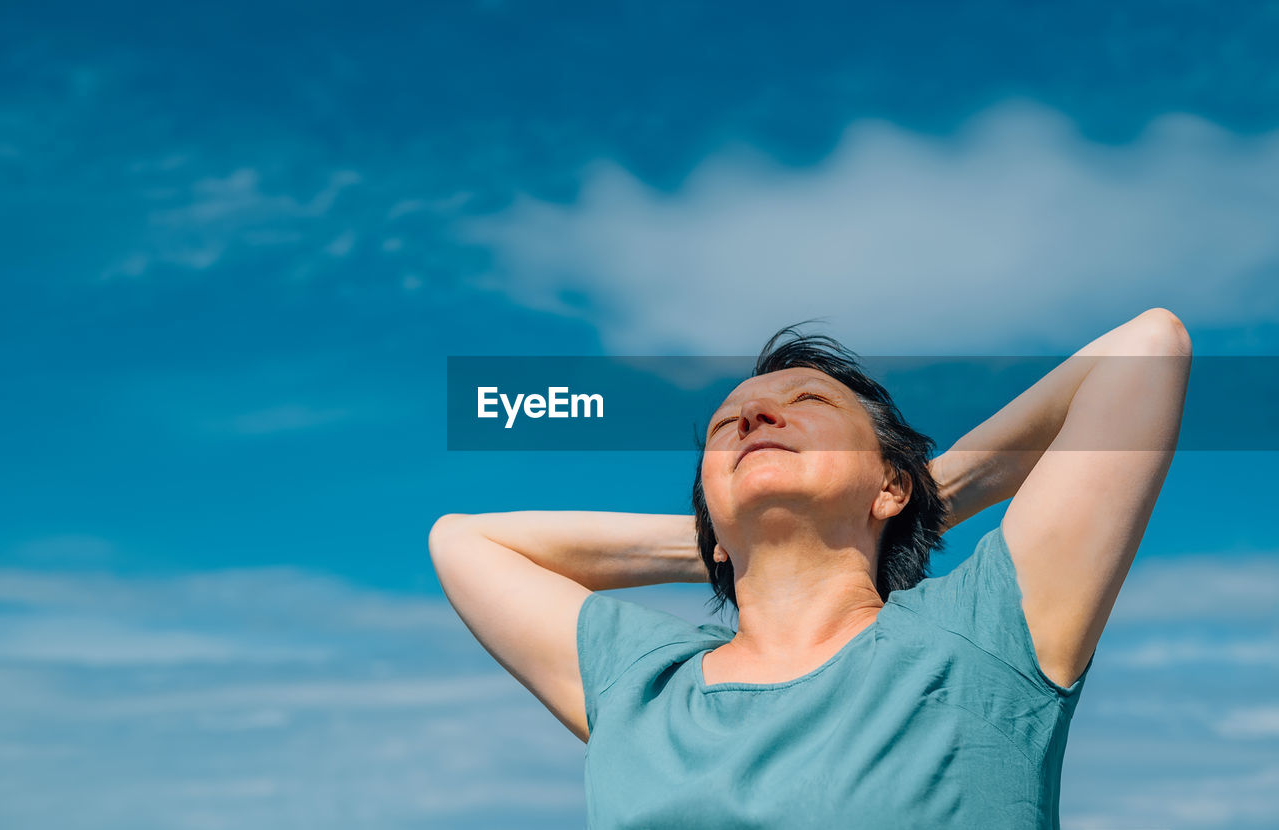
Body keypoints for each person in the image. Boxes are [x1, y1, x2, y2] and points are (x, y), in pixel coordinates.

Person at [429, 308, 1192, 829]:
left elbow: (1147, 349)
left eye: (805, 402)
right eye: (730, 424)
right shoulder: (642, 686)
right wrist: (723, 539)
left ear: (890, 482)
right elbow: (463, 543)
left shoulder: (982, 638)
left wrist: (925, 496)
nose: (756, 417)